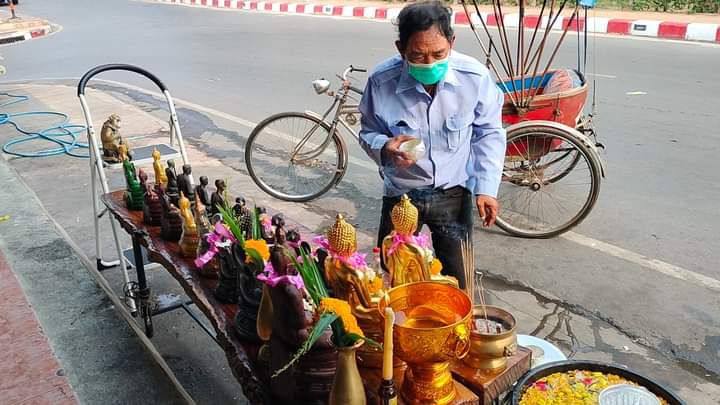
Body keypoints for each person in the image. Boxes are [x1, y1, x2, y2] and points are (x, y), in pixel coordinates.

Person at [358, 1, 506, 288]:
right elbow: (368, 133)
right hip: (401, 196)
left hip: (453, 195)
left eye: (438, 54)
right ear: (401, 49)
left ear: (452, 42)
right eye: (417, 55)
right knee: (395, 282)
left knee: (459, 282)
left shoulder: (474, 78)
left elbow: (489, 132)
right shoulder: (381, 82)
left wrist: (487, 188)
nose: (429, 64)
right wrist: (385, 146)